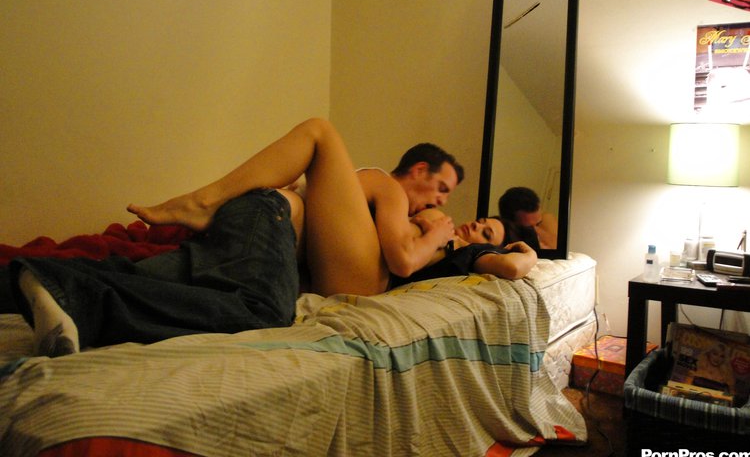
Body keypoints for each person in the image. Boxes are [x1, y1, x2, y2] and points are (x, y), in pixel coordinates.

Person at [10, 118, 464, 356]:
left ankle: (43, 280)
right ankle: (200, 203)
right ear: (419, 170)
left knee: (140, 276)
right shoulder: (386, 187)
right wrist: (438, 234)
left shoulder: (351, 203)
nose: (440, 203)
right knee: (261, 312)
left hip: (251, 222)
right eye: (441, 189)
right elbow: (402, 259)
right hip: (267, 222)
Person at [390, 208, 537, 289]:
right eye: (480, 221)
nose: (476, 225)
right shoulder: (440, 222)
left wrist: (531, 255)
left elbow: (512, 267)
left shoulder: (473, 252)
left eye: (485, 234)